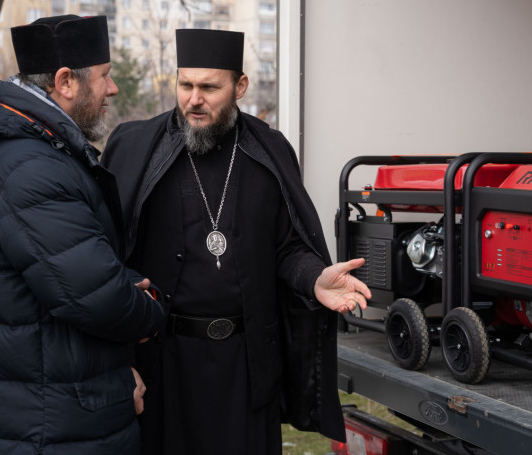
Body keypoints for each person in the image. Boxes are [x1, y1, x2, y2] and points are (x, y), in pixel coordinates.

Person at [101, 28, 372, 454]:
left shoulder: (269, 151)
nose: (194, 99)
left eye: (210, 87)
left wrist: (314, 278)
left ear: (240, 86)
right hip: (162, 363)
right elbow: (107, 255)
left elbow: (287, 247)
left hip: (245, 366)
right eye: (185, 85)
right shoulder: (135, 147)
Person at [0, 15, 164, 454]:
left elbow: (40, 272)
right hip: (40, 429)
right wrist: (148, 311)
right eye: (105, 76)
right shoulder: (29, 166)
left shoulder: (19, 146)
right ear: (66, 82)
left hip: (15, 415)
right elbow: (92, 295)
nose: (113, 89)